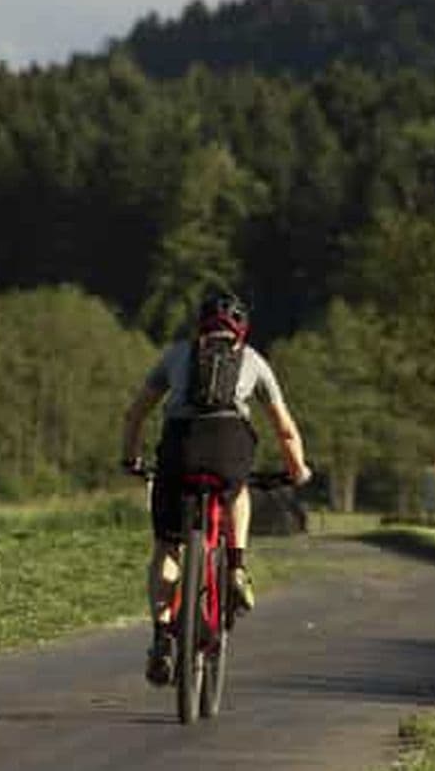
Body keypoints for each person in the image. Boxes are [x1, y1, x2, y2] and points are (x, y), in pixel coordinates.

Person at [121, 290, 312, 686]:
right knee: (237, 489)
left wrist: (131, 458)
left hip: (179, 446)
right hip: (229, 446)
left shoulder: (176, 355)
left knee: (166, 544)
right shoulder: (255, 362)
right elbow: (286, 430)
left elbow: (136, 412)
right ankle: (237, 566)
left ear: (200, 326)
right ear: (241, 328)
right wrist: (298, 471)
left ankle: (161, 637)